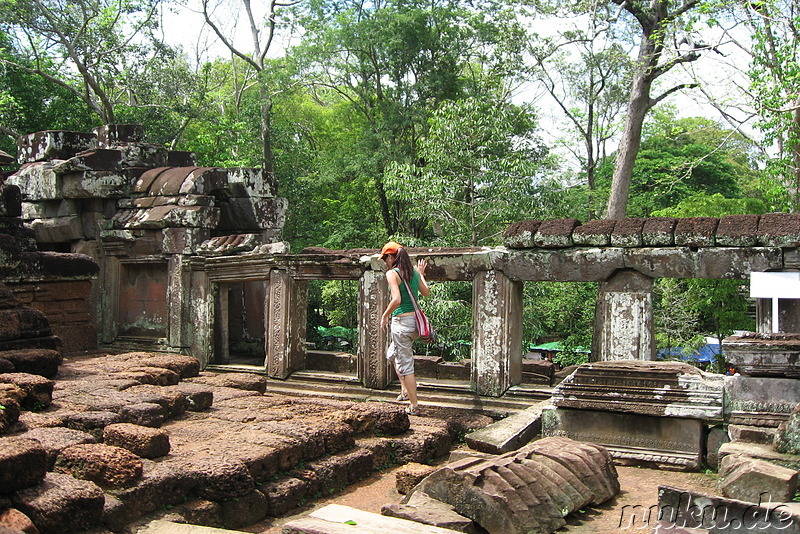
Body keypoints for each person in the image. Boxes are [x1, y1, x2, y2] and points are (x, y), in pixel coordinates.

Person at [379, 241, 429, 415]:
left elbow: (397, 300)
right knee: (392, 354)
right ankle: (405, 389)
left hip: (401, 323)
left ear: (392, 257)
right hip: (414, 324)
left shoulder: (392, 273)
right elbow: (426, 292)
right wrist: (421, 274)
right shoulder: (413, 272)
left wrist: (385, 315)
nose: (386, 262)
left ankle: (414, 405)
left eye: (386, 258)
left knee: (406, 363)